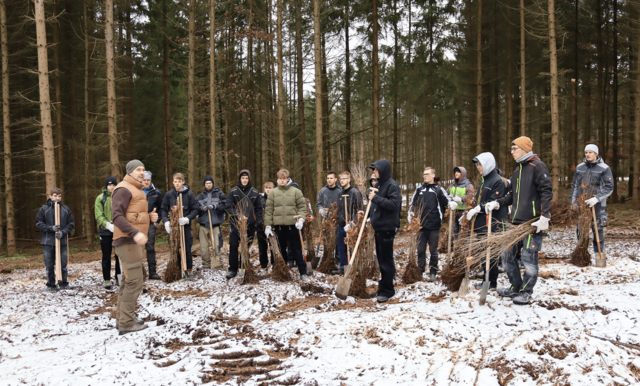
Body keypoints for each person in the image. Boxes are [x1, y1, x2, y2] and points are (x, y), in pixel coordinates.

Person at [485, 136, 553, 305]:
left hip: (533, 224)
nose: (512, 152)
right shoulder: (518, 171)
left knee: (529, 260)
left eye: (514, 149)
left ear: (524, 149)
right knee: (507, 255)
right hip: (516, 224)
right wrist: (497, 203)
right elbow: (511, 196)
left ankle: (526, 291)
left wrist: (545, 216)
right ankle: (515, 287)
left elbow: (546, 191)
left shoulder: (537, 166)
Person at [111, 160, 158, 335]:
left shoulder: (135, 189)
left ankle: (123, 318)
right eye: (138, 170)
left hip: (132, 242)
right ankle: (126, 323)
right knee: (134, 282)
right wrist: (134, 233)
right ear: (130, 172)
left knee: (127, 281)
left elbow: (132, 215)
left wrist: (149, 218)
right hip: (127, 241)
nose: (141, 172)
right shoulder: (123, 189)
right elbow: (117, 216)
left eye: (143, 170)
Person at [464, 153, 508, 291]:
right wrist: (472, 211)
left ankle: (491, 282)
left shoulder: (497, 181)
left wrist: (479, 208)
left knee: (491, 255)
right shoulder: (483, 180)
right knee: (484, 255)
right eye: (477, 165)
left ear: (488, 164)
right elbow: (480, 200)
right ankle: (485, 280)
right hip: (482, 223)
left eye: (480, 164)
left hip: (492, 224)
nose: (478, 167)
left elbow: (495, 202)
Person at [359, 160, 402, 303]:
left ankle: (388, 290)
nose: (374, 173)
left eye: (376, 170)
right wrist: (367, 214)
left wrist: (375, 198)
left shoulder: (392, 185)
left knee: (386, 260)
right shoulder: (378, 184)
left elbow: (394, 204)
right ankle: (382, 288)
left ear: (383, 170)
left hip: (387, 227)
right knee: (381, 259)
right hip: (378, 227)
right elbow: (375, 205)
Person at [409, 167, 458, 282]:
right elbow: (412, 203)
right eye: (424, 174)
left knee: (433, 250)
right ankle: (420, 270)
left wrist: (451, 203)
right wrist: (410, 212)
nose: (425, 176)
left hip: (434, 225)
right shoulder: (419, 189)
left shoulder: (438, 189)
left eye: (427, 174)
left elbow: (447, 199)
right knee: (420, 249)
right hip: (420, 225)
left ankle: (433, 271)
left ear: (433, 175)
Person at [264, 168, 308, 279]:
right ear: (277, 179)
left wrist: (302, 220)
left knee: (296, 249)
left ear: (288, 179)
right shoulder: (273, 193)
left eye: (284, 179)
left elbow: (302, 207)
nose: (282, 181)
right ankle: (282, 272)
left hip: (293, 226)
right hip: (279, 227)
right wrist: (268, 225)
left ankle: (303, 272)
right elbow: (269, 210)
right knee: (280, 250)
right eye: (280, 179)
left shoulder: (296, 192)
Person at [569, 144, 613, 253]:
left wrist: (596, 198)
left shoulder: (604, 168)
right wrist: (573, 202)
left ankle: (599, 256)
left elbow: (609, 187)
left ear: (596, 154)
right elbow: (575, 186)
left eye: (590, 152)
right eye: (586, 152)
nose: (588, 155)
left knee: (598, 230)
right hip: (582, 205)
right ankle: (582, 256)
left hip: (598, 206)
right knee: (581, 232)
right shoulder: (580, 168)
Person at [35, 188, 76, 292]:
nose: (57, 198)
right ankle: (51, 285)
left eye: (59, 196)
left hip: (62, 242)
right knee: (49, 265)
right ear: (50, 196)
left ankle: (63, 283)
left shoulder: (66, 209)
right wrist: (50, 228)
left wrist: (63, 232)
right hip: (48, 242)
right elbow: (38, 223)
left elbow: (71, 223)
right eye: (55, 196)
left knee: (63, 264)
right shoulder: (44, 209)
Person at [225, 169, 263, 279]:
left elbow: (259, 209)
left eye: (246, 178)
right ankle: (232, 269)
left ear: (249, 179)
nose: (244, 180)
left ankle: (243, 267)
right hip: (236, 224)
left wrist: (256, 222)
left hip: (250, 225)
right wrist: (238, 215)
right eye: (243, 178)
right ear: (239, 179)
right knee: (233, 245)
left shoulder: (254, 192)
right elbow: (228, 206)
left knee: (246, 246)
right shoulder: (233, 191)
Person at [161, 173, 199, 281]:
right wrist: (166, 222)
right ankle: (177, 269)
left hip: (185, 226)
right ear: (173, 182)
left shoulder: (190, 194)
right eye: (175, 181)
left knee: (186, 248)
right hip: (173, 227)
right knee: (174, 248)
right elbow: (163, 209)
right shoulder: (169, 195)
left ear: (183, 181)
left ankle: (188, 269)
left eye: (179, 181)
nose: (177, 183)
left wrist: (188, 218)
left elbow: (196, 209)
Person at [94, 177, 121, 288]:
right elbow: (98, 214)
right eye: (109, 185)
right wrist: (107, 225)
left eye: (114, 185)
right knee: (106, 256)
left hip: (118, 231)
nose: (111, 187)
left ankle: (119, 276)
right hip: (105, 232)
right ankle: (106, 279)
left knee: (119, 255)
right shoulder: (100, 198)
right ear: (106, 186)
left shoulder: (120, 197)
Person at [335, 171, 363, 274]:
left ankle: (352, 268)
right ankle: (343, 268)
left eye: (344, 179)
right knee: (341, 247)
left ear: (349, 179)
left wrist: (353, 223)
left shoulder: (355, 193)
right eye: (341, 179)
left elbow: (360, 210)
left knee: (351, 248)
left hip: (351, 226)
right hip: (341, 225)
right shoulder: (340, 193)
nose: (342, 181)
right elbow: (340, 208)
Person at [196, 175, 226, 270]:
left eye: (210, 183)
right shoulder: (200, 196)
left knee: (216, 245)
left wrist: (215, 207)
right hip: (204, 224)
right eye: (206, 183)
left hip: (215, 224)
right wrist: (201, 209)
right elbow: (195, 208)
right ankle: (206, 264)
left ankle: (218, 263)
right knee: (203, 246)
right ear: (204, 184)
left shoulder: (219, 194)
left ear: (212, 184)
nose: (208, 184)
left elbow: (225, 206)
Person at [142, 171, 163, 280]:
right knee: (138, 247)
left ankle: (152, 271)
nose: (146, 182)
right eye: (144, 180)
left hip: (151, 224)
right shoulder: (136, 191)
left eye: (148, 180)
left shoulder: (156, 192)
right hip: (139, 223)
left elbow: (161, 208)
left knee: (150, 246)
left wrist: (157, 220)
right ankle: (139, 272)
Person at [448, 167, 475, 239]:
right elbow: (446, 193)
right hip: (454, 213)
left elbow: (471, 196)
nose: (456, 173)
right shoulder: (452, 185)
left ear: (463, 173)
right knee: (455, 233)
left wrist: (460, 199)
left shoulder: (468, 185)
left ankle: (464, 248)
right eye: (455, 172)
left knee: (464, 234)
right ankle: (456, 248)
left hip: (464, 213)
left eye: (458, 172)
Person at [257, 181, 275, 268]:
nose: (268, 190)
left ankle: (274, 263)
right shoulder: (260, 198)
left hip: (273, 225)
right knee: (262, 246)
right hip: (261, 225)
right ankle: (263, 264)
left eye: (270, 188)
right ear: (264, 189)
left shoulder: (275, 198)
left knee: (273, 245)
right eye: (266, 188)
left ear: (273, 188)